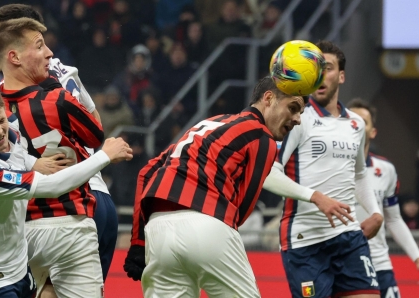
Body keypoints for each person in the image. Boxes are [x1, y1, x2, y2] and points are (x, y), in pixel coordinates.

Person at [124, 76, 331, 297]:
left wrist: (138, 242)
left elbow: (147, 172)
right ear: (268, 98)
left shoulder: (208, 124)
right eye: (293, 108)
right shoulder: (262, 137)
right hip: (208, 225)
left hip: (157, 232)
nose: (298, 119)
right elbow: (242, 209)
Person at [0, 81, 131, 297]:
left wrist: (34, 162)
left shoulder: (5, 136)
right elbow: (51, 187)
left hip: (17, 266)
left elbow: (15, 152)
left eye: (1, 121)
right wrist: (104, 156)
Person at [0, 4, 120, 285]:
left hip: (57, 209)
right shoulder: (63, 71)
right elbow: (94, 124)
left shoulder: (1, 96)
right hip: (96, 196)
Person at [262, 40, 383, 298]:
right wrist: (316, 197)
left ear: (341, 76)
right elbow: (269, 172)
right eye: (313, 69)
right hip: (306, 241)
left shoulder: (356, 124)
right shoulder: (297, 117)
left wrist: (375, 212)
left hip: (349, 237)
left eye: (326, 68)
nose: (319, 75)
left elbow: (359, 174)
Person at [348, 98, 419, 298]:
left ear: (373, 132)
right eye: (352, 119)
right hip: (343, 262)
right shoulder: (328, 167)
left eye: (364, 121)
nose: (357, 125)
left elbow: (394, 219)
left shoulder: (386, 170)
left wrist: (417, 257)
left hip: (380, 263)